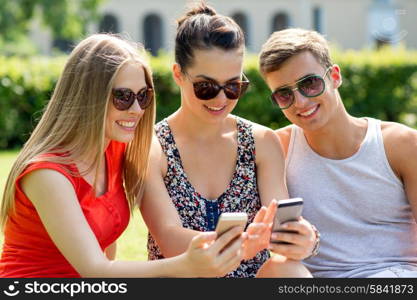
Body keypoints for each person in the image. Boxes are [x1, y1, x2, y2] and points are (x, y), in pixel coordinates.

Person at [0, 33, 249, 278]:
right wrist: (184, 265)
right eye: (123, 97)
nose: (137, 109)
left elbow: (107, 254)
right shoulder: (47, 174)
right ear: (89, 97)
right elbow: (96, 269)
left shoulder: (115, 149)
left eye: (143, 96)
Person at [140, 2, 317, 278]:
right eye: (206, 87)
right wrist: (242, 246)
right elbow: (171, 240)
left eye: (234, 86)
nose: (221, 99)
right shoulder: (152, 147)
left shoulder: (261, 142)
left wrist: (301, 239)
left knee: (290, 270)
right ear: (178, 75)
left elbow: (279, 228)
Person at [258, 28, 417, 278]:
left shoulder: (400, 144)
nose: (300, 102)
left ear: (334, 76)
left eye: (309, 83)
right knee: (276, 269)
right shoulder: (278, 148)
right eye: (284, 94)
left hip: (393, 276)